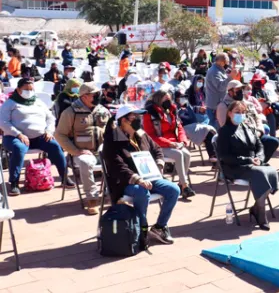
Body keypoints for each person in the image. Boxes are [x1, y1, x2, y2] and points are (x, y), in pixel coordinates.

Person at [102, 104, 180, 245]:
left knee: (174, 190)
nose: (139, 119)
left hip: (150, 177)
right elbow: (117, 167)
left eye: (139, 116)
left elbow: (157, 149)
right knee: (142, 192)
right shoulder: (112, 140)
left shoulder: (141, 134)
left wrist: (159, 165)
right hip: (126, 183)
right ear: (124, 120)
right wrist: (138, 180)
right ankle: (141, 229)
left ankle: (160, 227)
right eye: (134, 116)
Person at [0, 78, 70, 196]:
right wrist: (18, 134)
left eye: (31, 89)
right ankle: (14, 183)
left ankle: (64, 177)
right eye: (26, 89)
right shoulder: (10, 103)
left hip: (40, 137)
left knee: (55, 146)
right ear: (18, 89)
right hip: (15, 137)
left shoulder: (38, 102)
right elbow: (3, 122)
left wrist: (49, 131)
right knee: (19, 148)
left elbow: (50, 118)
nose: (29, 91)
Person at [218, 100, 279, 229]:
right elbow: (224, 156)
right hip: (234, 166)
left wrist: (259, 158)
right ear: (229, 113)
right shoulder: (225, 131)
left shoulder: (247, 127)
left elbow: (260, 146)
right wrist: (247, 160)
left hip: (252, 163)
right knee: (260, 173)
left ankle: (256, 208)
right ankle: (261, 214)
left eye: (243, 112)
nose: (241, 114)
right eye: (237, 112)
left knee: (271, 171)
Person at [54, 82, 109, 215]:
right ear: (84, 96)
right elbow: (59, 135)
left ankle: (113, 193)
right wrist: (75, 151)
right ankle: (92, 199)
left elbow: (111, 131)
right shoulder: (70, 112)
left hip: (102, 149)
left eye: (98, 94)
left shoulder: (103, 110)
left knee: (118, 158)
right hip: (81, 151)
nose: (98, 96)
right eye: (94, 95)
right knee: (86, 162)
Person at [142, 89, 196, 199]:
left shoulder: (171, 111)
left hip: (175, 143)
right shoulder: (150, 114)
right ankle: (185, 185)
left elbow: (179, 128)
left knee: (187, 154)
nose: (169, 101)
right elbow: (150, 136)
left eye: (169, 99)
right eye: (166, 99)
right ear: (158, 100)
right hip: (158, 145)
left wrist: (182, 141)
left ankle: (181, 184)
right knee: (179, 154)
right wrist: (169, 143)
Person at [217, 81, 279, 159]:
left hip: (254, 134)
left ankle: (259, 162)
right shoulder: (223, 106)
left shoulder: (248, 104)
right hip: (236, 138)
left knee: (273, 142)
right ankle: (249, 164)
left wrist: (259, 131)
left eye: (241, 89)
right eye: (237, 89)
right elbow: (224, 125)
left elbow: (257, 118)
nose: (240, 91)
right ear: (230, 92)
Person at [175, 90, 217, 164]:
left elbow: (193, 108)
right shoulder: (175, 107)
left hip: (194, 125)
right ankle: (213, 156)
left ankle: (213, 156)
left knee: (210, 132)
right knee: (207, 131)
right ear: (177, 98)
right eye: (181, 97)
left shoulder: (185, 104)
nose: (183, 98)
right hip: (185, 128)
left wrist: (200, 109)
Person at [205, 53, 237, 130]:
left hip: (218, 103)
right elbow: (220, 87)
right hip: (215, 106)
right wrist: (230, 77)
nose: (228, 64)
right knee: (214, 129)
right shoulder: (214, 72)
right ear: (221, 62)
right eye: (227, 62)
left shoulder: (220, 70)